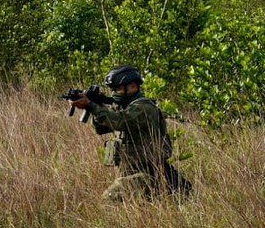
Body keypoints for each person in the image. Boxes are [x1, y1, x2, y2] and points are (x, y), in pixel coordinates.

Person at [68, 64, 191, 202]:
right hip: (131, 171)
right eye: (114, 89)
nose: (115, 93)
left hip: (149, 172)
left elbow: (120, 121)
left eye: (119, 89)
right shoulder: (126, 107)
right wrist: (97, 106)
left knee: (109, 199)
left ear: (132, 86)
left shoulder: (143, 108)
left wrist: (92, 105)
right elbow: (101, 129)